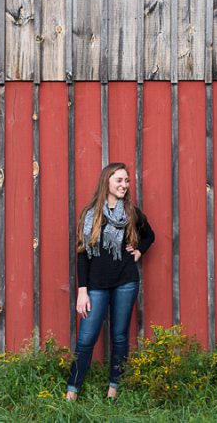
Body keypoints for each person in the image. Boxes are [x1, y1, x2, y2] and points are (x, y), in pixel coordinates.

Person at [66, 162, 155, 401]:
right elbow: (82, 254)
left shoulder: (132, 213)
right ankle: (72, 392)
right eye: (119, 181)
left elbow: (149, 235)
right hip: (96, 285)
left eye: (126, 181)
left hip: (126, 282)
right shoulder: (90, 214)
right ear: (107, 182)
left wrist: (138, 252)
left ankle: (113, 389)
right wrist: (82, 291)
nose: (124, 185)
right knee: (86, 339)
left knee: (119, 336)